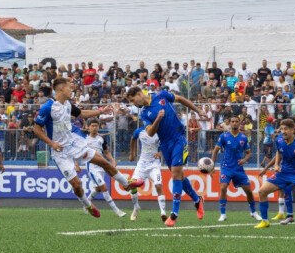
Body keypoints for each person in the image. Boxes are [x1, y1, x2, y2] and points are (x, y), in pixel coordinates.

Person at [32, 77, 144, 218]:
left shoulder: (67, 104)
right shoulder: (47, 107)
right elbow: (36, 129)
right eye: (69, 87)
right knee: (77, 184)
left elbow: (82, 114)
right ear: (61, 89)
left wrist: (101, 111)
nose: (71, 90)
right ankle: (87, 204)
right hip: (60, 151)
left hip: (74, 144)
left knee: (103, 161)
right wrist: (52, 143)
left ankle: (126, 184)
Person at [125, 85, 209, 227]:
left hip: (178, 138)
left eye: (133, 100)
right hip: (165, 144)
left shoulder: (161, 95)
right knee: (180, 176)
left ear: (139, 94)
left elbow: (181, 99)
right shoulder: (144, 113)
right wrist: (157, 119)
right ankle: (197, 199)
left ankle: (174, 214)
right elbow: (150, 133)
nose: (134, 104)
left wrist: (198, 110)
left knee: (175, 174)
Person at [254, 118, 295, 229]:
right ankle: (265, 221)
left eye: (286, 129)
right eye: (281, 129)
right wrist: (276, 165)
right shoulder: (279, 140)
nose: (283, 131)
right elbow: (278, 152)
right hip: (283, 173)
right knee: (262, 191)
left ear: (292, 129)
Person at [210, 115, 259, 222]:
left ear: (239, 123)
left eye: (236, 121)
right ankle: (223, 214)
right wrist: (212, 165)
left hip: (238, 169)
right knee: (223, 187)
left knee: (249, 191)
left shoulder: (243, 138)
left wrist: (244, 160)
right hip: (226, 167)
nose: (234, 123)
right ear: (230, 123)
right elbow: (215, 151)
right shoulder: (224, 136)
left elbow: (249, 154)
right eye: (232, 121)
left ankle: (253, 211)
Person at [79, 118, 125, 217]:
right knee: (104, 187)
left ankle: (87, 202)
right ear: (88, 127)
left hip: (101, 166)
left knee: (98, 188)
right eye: (92, 126)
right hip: (91, 166)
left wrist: (112, 161)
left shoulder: (101, 139)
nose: (95, 128)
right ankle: (117, 211)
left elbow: (106, 152)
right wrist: (76, 164)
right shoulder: (84, 140)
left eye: (96, 126)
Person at [128, 110, 168, 221]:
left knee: (158, 186)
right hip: (141, 165)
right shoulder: (139, 132)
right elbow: (133, 139)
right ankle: (136, 208)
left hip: (154, 165)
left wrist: (161, 153)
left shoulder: (160, 133)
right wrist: (132, 153)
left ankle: (163, 213)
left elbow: (167, 145)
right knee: (133, 185)